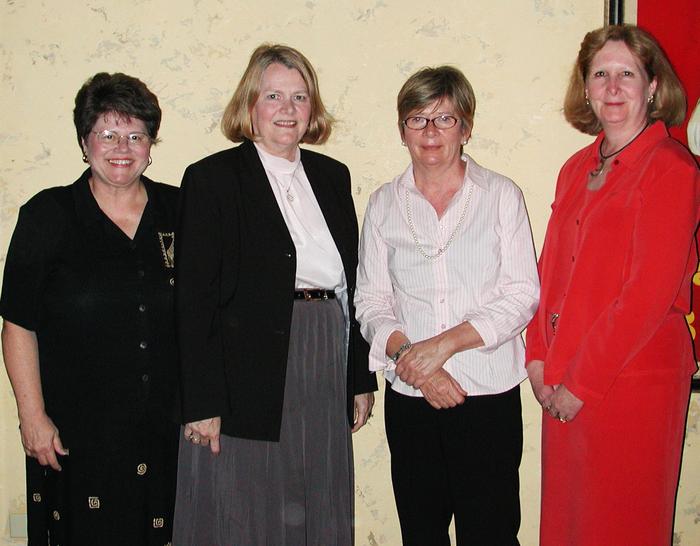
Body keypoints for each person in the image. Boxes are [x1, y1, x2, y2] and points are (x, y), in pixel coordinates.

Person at [173, 44, 376, 546]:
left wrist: (359, 376)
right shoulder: (212, 179)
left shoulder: (333, 177)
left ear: (313, 109)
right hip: (244, 371)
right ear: (249, 106)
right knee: (244, 505)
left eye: (300, 97)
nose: (287, 109)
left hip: (323, 356)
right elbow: (193, 300)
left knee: (317, 494)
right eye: (273, 96)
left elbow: (353, 285)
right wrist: (200, 401)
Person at [526, 24, 700, 545]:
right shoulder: (575, 169)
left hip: (633, 378)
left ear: (652, 87)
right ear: (585, 88)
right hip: (563, 377)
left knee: (623, 524)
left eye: (628, 73)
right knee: (569, 524)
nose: (613, 87)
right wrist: (537, 360)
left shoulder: (672, 167)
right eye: (601, 74)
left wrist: (579, 382)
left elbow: (646, 295)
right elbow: (548, 273)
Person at [355, 66, 539, 546]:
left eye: (445, 119)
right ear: (402, 131)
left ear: (467, 127)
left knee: (492, 533)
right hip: (411, 398)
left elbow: (522, 293)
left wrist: (443, 346)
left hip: (487, 394)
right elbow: (371, 301)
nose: (431, 132)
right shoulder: (382, 204)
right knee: (421, 532)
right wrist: (416, 365)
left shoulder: (501, 196)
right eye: (417, 120)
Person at [0, 72, 180, 545]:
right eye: (108, 133)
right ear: (84, 141)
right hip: (77, 432)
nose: (123, 147)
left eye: (136, 135)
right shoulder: (48, 215)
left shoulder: (181, 210)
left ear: (151, 143)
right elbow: (18, 324)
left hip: (168, 429)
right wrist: (31, 417)